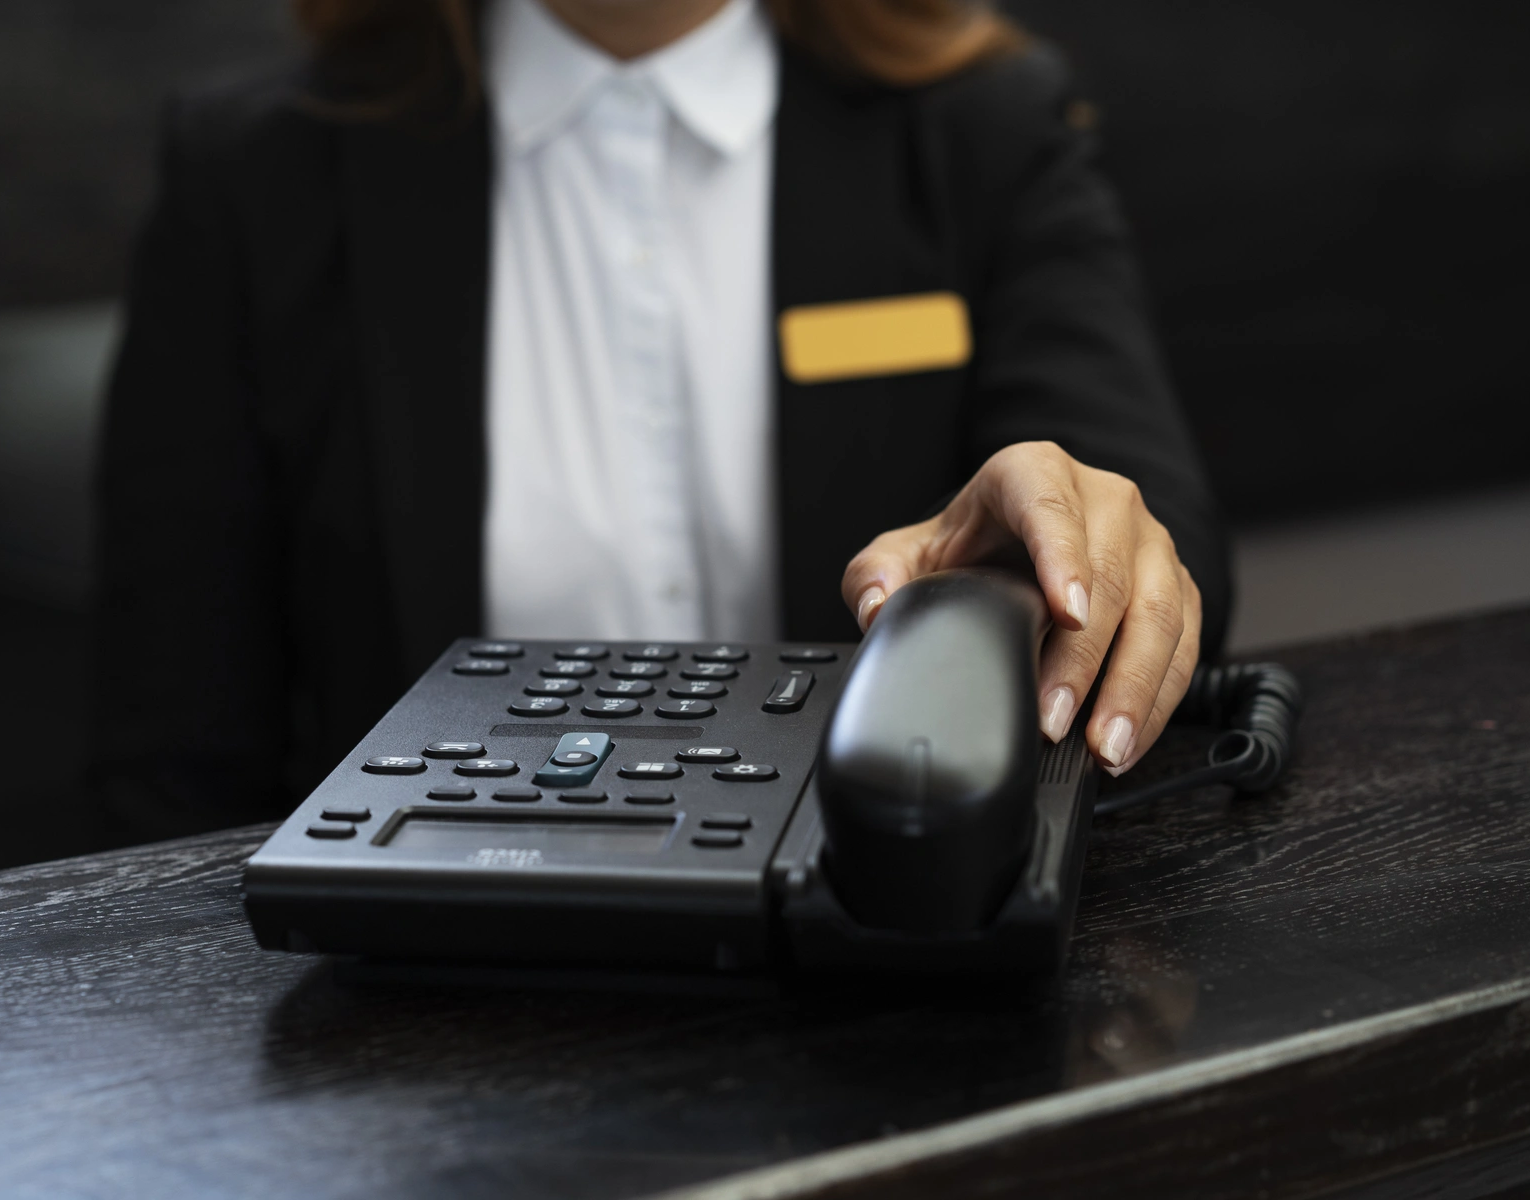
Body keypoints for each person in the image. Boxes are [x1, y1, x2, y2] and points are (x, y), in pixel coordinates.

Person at [92, 0, 1230, 838]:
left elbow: (1146, 512)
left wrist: (1091, 552)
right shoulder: (255, 173)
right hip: (419, 994)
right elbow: (175, 747)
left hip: (876, 939)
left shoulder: (983, 124)